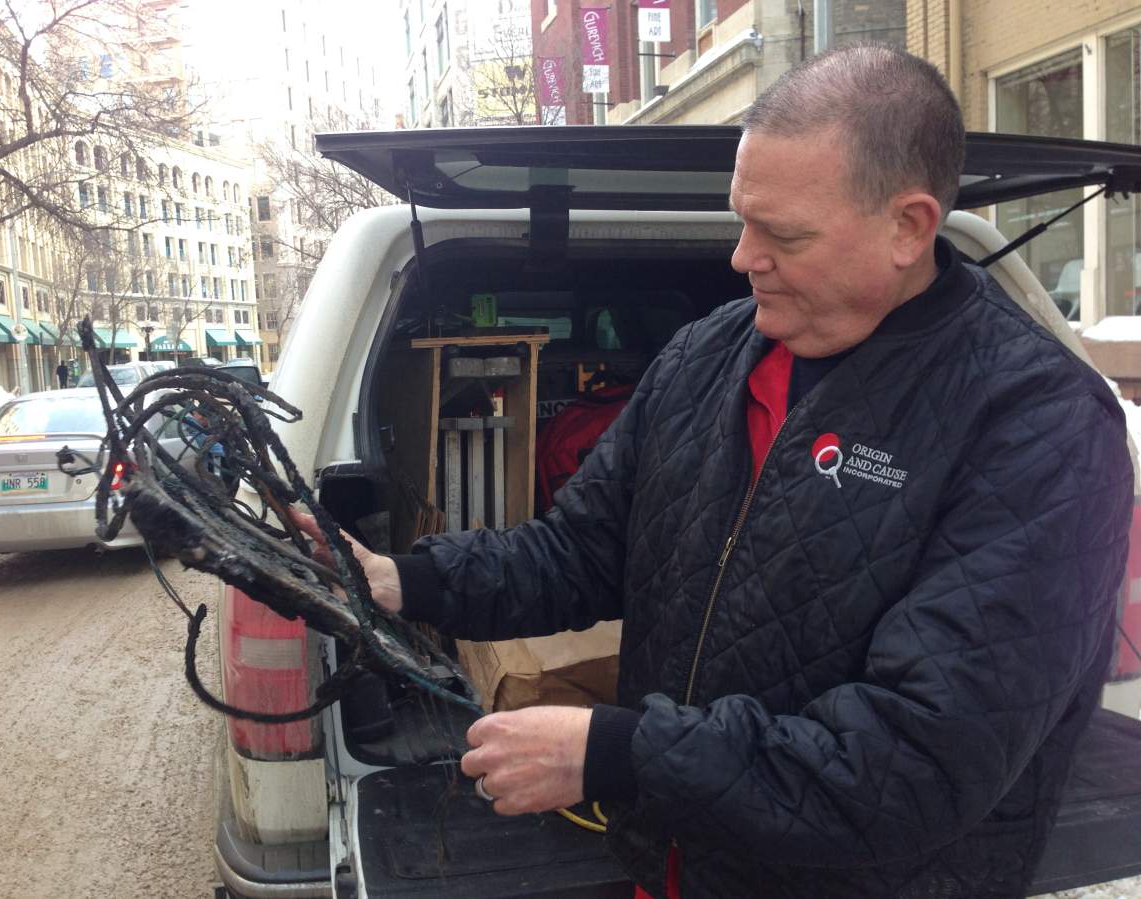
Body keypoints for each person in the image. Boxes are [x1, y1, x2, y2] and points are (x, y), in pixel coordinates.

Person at [298, 45, 1134, 898]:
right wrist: (397, 579)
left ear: (909, 228)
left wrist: (612, 753)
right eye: (742, 220)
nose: (741, 257)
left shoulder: (1040, 424)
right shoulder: (709, 354)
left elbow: (911, 762)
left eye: (783, 234)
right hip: (673, 866)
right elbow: (584, 549)